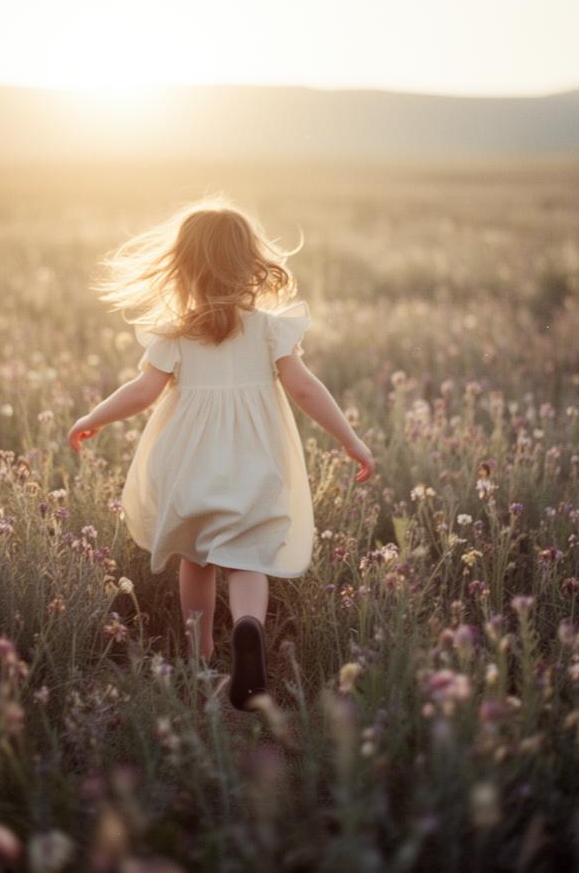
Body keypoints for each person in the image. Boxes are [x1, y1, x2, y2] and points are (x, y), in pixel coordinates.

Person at [67, 196, 375, 709]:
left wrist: (92, 417)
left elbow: (141, 393)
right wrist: (351, 440)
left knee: (197, 556)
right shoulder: (271, 330)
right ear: (250, 264)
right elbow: (305, 390)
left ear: (182, 268)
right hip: (256, 460)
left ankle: (200, 652)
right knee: (247, 557)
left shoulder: (174, 334)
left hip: (189, 461)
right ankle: (248, 627)